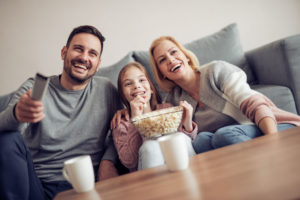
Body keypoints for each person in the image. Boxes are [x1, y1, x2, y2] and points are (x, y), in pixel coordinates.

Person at [111, 35, 300, 154]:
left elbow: (255, 105)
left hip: (274, 128)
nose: (171, 60)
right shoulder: (174, 100)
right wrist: (125, 110)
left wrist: (273, 142)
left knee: (223, 135)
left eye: (174, 52)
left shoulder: (216, 71)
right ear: (162, 73)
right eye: (162, 60)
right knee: (201, 141)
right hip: (234, 141)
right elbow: (175, 137)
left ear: (185, 55)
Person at [0, 25, 122, 200]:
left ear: (98, 63)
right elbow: (5, 132)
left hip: (85, 185)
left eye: (92, 53)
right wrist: (17, 114)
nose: (84, 57)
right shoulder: (35, 88)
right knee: (6, 139)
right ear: (64, 52)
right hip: (38, 186)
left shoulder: (106, 89)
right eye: (78, 49)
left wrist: (107, 161)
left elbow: (120, 133)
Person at [112, 62, 197, 171]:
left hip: (176, 165)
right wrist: (136, 120)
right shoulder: (121, 124)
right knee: (151, 147)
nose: (137, 86)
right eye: (128, 84)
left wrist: (187, 121)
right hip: (147, 171)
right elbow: (130, 162)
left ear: (151, 88)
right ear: (123, 94)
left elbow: (189, 142)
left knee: (181, 138)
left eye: (142, 80)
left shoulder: (166, 109)